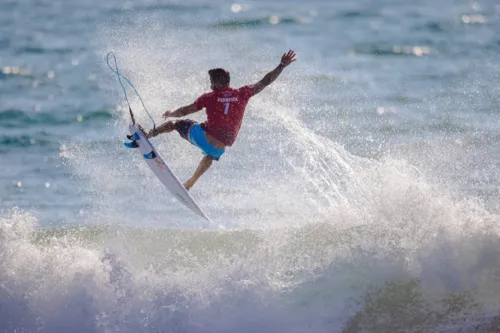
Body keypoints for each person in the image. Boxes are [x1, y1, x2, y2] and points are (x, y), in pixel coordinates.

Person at [145, 50, 297, 190]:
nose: (210, 85)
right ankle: (191, 182)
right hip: (219, 149)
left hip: (204, 138)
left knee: (175, 125)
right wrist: (282, 65)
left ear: (217, 83)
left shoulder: (209, 97)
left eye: (211, 82)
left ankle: (148, 134)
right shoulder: (242, 93)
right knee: (210, 154)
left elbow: (185, 111)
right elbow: (265, 81)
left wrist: (171, 113)